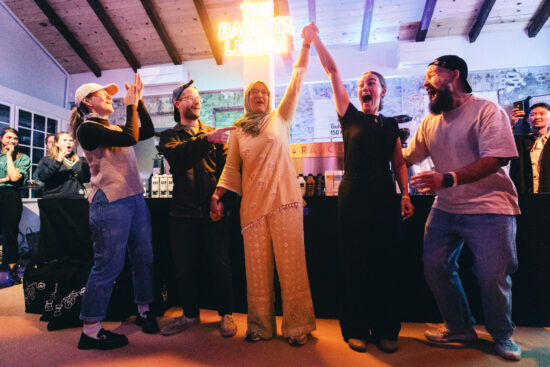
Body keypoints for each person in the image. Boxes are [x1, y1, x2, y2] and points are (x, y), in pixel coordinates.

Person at [404, 55, 522, 361]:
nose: (425, 82)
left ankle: (503, 335)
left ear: (454, 75)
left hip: (490, 207)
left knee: (492, 275)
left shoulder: (486, 110)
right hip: (446, 208)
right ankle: (459, 327)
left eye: (432, 75)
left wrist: (448, 178)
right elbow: (408, 157)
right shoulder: (430, 122)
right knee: (435, 266)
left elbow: (498, 158)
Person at [308, 23, 413, 354]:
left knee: (384, 261)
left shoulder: (392, 124)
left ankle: (385, 328)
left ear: (381, 90)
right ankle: (355, 327)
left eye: (371, 82)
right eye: (361, 84)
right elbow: (333, 70)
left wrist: (406, 193)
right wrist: (315, 39)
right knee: (355, 261)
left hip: (384, 192)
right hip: (353, 192)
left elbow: (398, 163)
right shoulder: (349, 115)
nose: (365, 86)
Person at [210, 24, 316, 346]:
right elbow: (230, 169)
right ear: (246, 99)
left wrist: (306, 47)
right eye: (254, 93)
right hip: (252, 208)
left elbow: (296, 82)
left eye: (264, 93)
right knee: (256, 273)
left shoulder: (280, 118)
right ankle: (259, 326)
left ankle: (297, 327)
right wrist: (217, 195)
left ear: (269, 99)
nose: (260, 96)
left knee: (292, 268)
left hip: (285, 201)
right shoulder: (239, 131)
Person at [71, 74, 159, 350]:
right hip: (109, 202)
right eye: (103, 93)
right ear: (88, 101)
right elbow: (132, 137)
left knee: (143, 257)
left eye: (110, 93)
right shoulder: (87, 129)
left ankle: (144, 310)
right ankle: (91, 331)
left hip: (134, 199)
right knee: (107, 265)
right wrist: (131, 106)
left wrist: (140, 103)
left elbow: (146, 132)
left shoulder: (114, 127)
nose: (109, 96)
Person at [157, 81, 237, 338]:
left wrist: (219, 198)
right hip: (181, 213)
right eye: (190, 97)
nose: (196, 101)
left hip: (212, 210)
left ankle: (226, 314)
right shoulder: (170, 136)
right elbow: (180, 158)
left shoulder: (214, 133)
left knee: (221, 264)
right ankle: (190, 314)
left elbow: (227, 170)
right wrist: (207, 139)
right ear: (177, 104)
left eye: (198, 97)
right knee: (185, 268)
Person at [0, 128, 30, 285]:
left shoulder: (23, 158)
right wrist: (4, 179)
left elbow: (14, 177)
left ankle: (13, 273)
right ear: (1, 138)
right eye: (9, 137)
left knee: (9, 235)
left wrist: (8, 156)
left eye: (16, 138)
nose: (12, 140)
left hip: (10, 197)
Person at [34, 132, 90, 198]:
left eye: (70, 140)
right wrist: (58, 161)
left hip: (76, 199)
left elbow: (86, 179)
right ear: (56, 144)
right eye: (65, 140)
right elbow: (42, 177)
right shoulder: (47, 160)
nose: (68, 142)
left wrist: (86, 162)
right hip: (53, 199)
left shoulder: (80, 160)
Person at [509, 103, 550, 193]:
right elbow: (502, 144)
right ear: (527, 120)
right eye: (533, 114)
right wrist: (511, 124)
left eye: (542, 114)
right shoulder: (520, 140)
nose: (537, 117)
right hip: (525, 195)